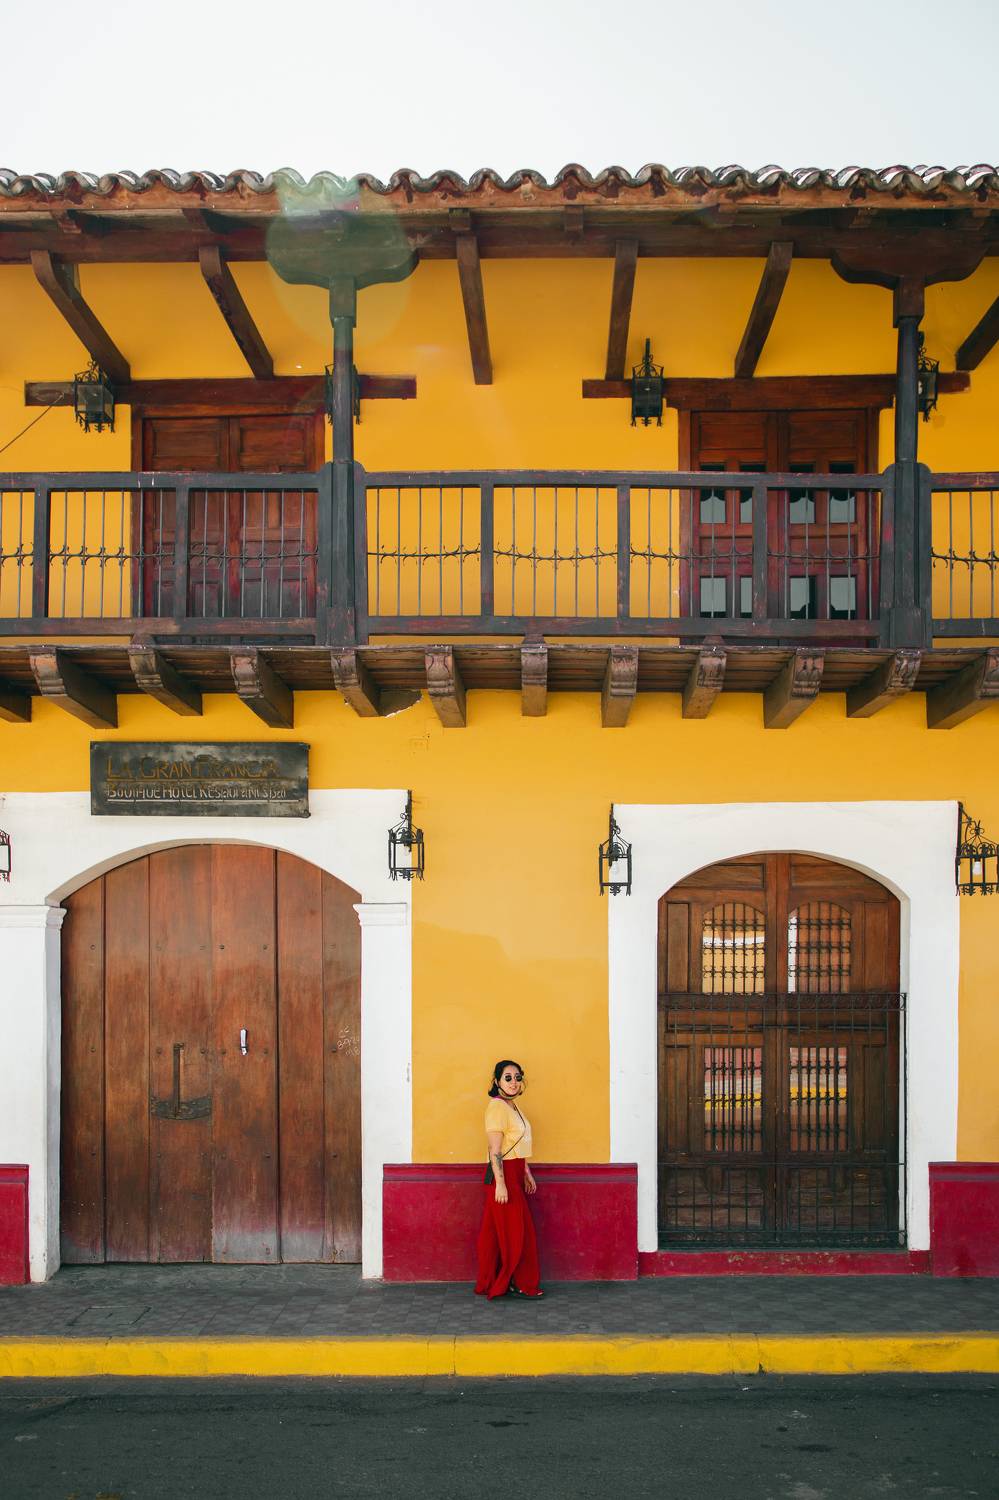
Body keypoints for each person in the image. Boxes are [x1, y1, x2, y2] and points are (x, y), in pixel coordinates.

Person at [474, 1058, 543, 1298]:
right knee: (518, 1233)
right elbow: (495, 1149)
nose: (514, 1082)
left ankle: (490, 1280)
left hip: (515, 1173)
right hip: (502, 1177)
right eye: (508, 1078)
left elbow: (516, 1145)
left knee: (494, 1233)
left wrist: (526, 1172)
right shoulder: (497, 1107)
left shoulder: (513, 1107)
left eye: (517, 1077)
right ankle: (521, 1283)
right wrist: (501, 1184)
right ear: (497, 1081)